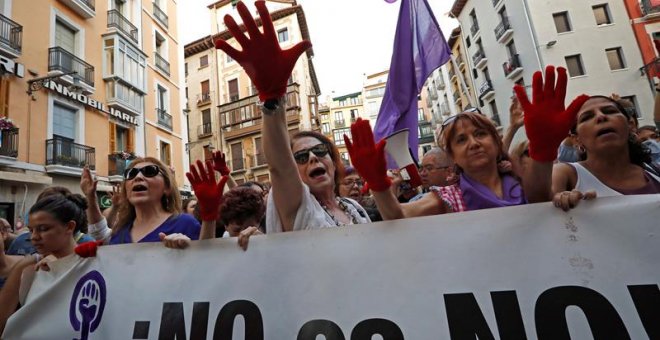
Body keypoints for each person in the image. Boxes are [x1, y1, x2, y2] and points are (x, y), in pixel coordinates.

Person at [346, 66, 589, 218]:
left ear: (496, 144)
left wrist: (544, 151)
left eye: (480, 134)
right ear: (451, 156)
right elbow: (397, 215)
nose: (473, 143)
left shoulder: (526, 183)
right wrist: (378, 183)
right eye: (461, 139)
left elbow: (541, 197)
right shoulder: (447, 199)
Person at [214, 1, 370, 234]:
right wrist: (272, 96)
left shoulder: (353, 207)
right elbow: (278, 165)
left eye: (319, 151)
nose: (312, 158)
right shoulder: (299, 205)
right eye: (299, 156)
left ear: (333, 160)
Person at [551, 95, 660, 210]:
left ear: (629, 125)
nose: (601, 116)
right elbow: (541, 198)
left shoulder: (654, 170)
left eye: (610, 111)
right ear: (576, 139)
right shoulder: (566, 173)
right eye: (586, 117)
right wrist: (560, 200)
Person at [0, 194, 88, 333]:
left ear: (70, 227)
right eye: (31, 230)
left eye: (43, 229)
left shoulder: (92, 262)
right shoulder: (28, 266)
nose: (34, 237)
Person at [80, 158, 200, 247]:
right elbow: (99, 234)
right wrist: (90, 196)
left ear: (167, 188)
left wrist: (188, 251)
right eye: (131, 174)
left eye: (149, 171)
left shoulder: (186, 224)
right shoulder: (120, 231)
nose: (138, 176)